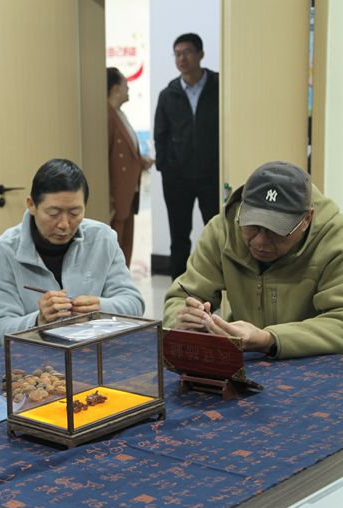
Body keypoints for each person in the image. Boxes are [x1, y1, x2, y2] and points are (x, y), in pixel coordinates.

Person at [163, 161, 343, 358]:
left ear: (306, 219)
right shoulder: (223, 230)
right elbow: (182, 296)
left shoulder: (335, 241)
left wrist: (269, 339)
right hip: (246, 358)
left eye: (276, 230)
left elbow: (339, 322)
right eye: (252, 226)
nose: (260, 242)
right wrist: (183, 321)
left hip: (317, 360)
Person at [0, 159, 145, 349]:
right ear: (31, 205)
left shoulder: (102, 239)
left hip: (85, 352)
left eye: (75, 213)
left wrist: (100, 308)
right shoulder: (4, 250)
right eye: (53, 213)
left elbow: (134, 304)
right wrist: (38, 321)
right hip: (24, 356)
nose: (64, 224)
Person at [153, 32, 219, 280]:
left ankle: (215, 286)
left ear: (200, 54)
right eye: (177, 54)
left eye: (187, 52)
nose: (182, 59)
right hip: (177, 178)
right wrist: (165, 166)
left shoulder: (218, 87)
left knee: (216, 234)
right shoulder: (168, 94)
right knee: (179, 237)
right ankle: (178, 291)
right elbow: (160, 134)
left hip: (211, 175)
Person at [107, 67, 153, 266]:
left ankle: (123, 283)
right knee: (116, 251)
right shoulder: (107, 116)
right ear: (116, 88)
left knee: (125, 248)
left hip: (128, 193)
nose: (129, 89)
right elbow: (106, 158)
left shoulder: (119, 114)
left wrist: (139, 161)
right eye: (126, 85)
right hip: (117, 195)